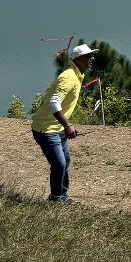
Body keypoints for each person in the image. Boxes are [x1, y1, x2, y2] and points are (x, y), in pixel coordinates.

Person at [31, 43, 95, 203]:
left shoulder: (77, 74)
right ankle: (56, 198)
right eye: (88, 56)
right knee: (59, 164)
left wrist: (64, 126)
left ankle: (62, 197)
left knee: (65, 162)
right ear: (78, 59)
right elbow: (54, 103)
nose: (92, 58)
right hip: (45, 129)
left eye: (92, 55)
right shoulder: (68, 77)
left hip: (57, 127)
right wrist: (68, 125)